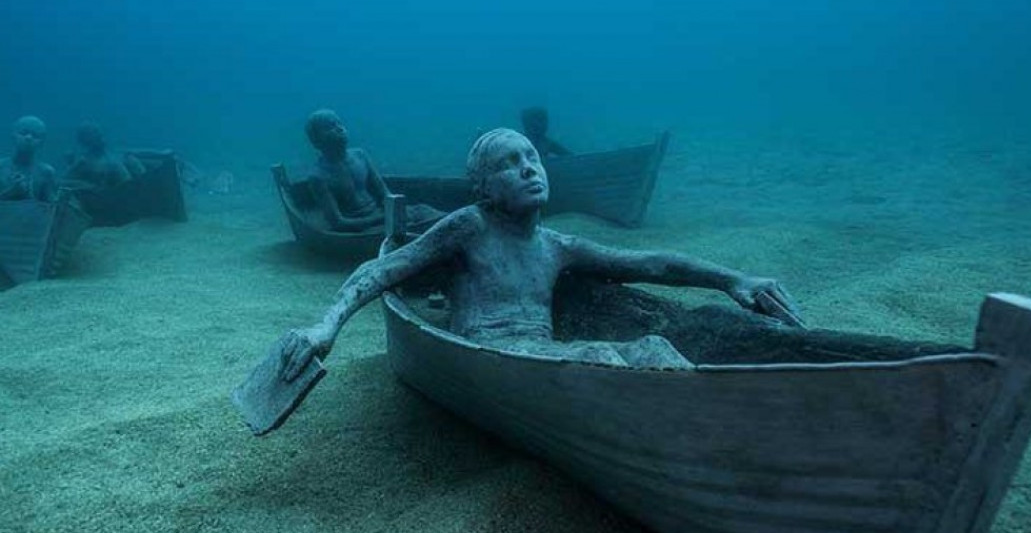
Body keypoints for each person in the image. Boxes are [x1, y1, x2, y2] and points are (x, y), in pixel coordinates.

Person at [277, 128, 801, 377]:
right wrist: (325, 326)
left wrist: (734, 279)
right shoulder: (469, 226)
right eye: (509, 163)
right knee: (610, 355)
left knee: (655, 347)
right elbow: (383, 269)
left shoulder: (557, 246)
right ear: (483, 188)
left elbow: (652, 263)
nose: (529, 167)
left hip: (540, 356)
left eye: (531, 157)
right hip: (487, 356)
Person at [305, 109, 442, 233]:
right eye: (329, 127)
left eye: (339, 123)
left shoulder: (360, 155)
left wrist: (398, 212)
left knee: (425, 211)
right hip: (361, 226)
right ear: (316, 141)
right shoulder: (318, 177)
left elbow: (385, 193)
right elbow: (338, 223)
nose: (339, 129)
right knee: (404, 231)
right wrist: (381, 219)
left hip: (380, 213)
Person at [63, 122, 143, 189]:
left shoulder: (122, 155)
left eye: (98, 131)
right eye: (93, 133)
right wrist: (86, 185)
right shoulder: (83, 162)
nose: (99, 135)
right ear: (84, 139)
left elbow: (141, 174)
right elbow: (63, 181)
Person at [0, 116, 57, 202]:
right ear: (13, 136)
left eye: (35, 135)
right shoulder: (1, 167)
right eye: (23, 133)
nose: (28, 137)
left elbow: (50, 206)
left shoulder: (46, 172)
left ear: (41, 142)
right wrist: (10, 193)